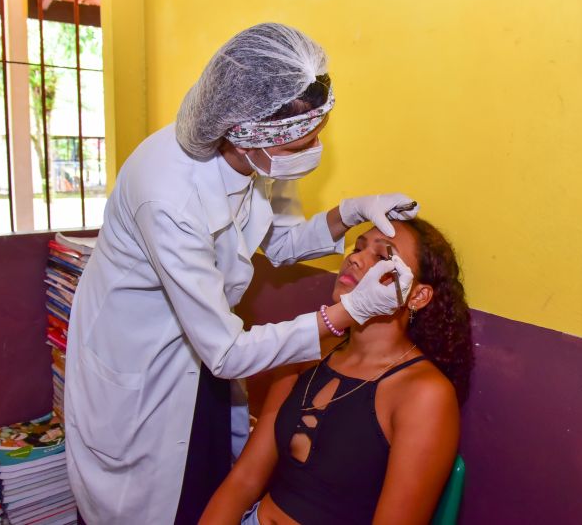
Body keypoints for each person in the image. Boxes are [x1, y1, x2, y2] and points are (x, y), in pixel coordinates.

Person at [64, 23, 418, 524]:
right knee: (155, 501)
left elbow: (280, 240)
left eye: (316, 138)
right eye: (302, 146)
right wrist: (346, 312)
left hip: (202, 359)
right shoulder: (167, 195)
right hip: (143, 357)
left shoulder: (262, 160)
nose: (312, 153)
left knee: (205, 476)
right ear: (247, 135)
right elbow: (227, 351)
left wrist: (352, 210)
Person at [201, 218, 474, 525]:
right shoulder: (307, 350)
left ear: (417, 296)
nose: (355, 258)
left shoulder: (424, 394)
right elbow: (244, 481)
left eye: (383, 257)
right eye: (357, 247)